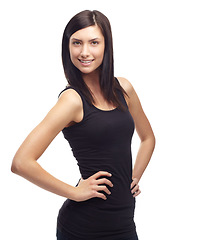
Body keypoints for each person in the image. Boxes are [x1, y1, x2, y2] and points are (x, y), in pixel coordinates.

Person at [11, 10, 155, 240]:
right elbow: (21, 162)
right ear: (67, 47)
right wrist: (75, 193)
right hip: (84, 228)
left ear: (106, 46)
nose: (84, 52)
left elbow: (148, 138)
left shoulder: (124, 89)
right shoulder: (72, 100)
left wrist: (132, 177)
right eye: (77, 43)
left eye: (94, 43)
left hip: (124, 223)